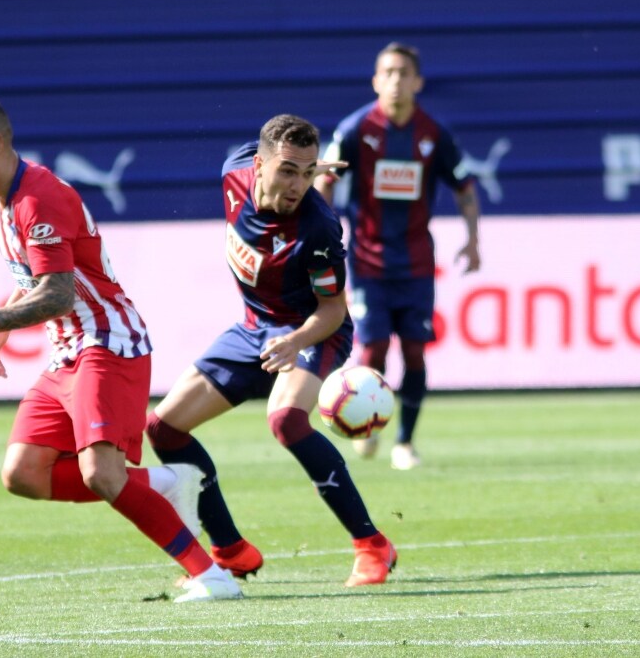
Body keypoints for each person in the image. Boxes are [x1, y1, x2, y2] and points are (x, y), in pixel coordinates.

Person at [0, 93, 241, 603]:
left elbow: (58, 293)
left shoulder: (39, 200)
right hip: (68, 351)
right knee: (23, 474)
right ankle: (162, 483)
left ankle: (210, 577)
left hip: (109, 342)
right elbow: (30, 276)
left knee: (100, 473)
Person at [146, 114, 397, 587]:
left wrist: (296, 340)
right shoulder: (233, 171)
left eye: (307, 173)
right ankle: (231, 550)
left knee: (286, 420)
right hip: (253, 328)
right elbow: (259, 147)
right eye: (288, 170)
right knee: (163, 428)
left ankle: (372, 545)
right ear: (258, 165)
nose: (298, 184)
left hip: (313, 331)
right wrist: (314, 163)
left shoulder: (320, 228)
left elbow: (332, 310)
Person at [314, 42, 481, 471]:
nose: (395, 80)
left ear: (418, 82)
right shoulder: (356, 128)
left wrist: (473, 239)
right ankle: (366, 427)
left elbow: (465, 188)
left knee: (414, 354)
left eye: (403, 73)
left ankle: (405, 442)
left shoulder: (433, 133)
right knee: (372, 350)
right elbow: (325, 178)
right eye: (387, 73)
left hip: (417, 262)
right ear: (375, 81)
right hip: (368, 260)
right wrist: (322, 225)